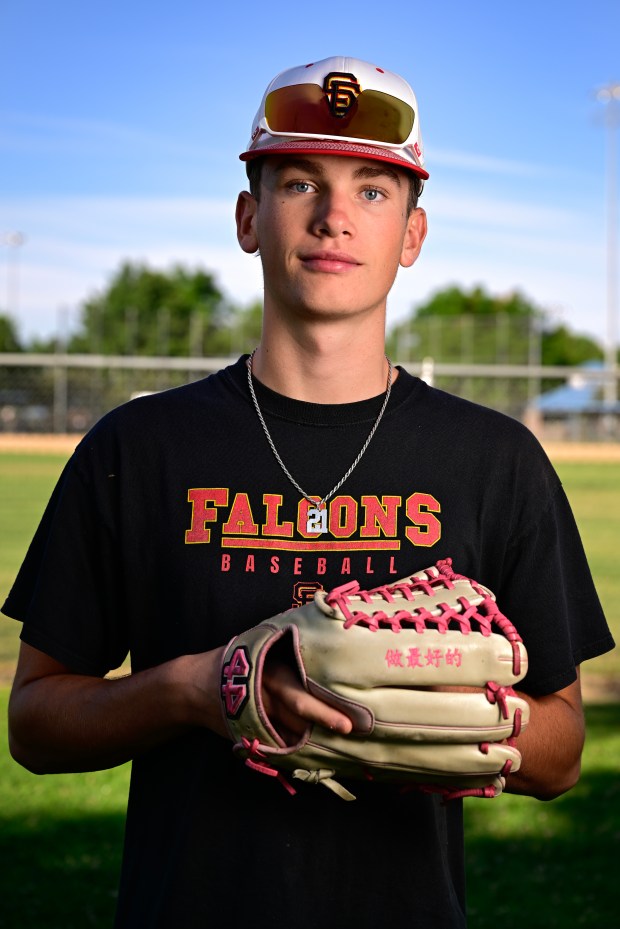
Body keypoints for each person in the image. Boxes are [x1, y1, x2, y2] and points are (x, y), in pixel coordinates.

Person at [3, 56, 614, 929]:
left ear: (413, 234)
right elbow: (35, 722)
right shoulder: (137, 448)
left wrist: (451, 720)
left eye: (373, 191)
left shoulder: (496, 458)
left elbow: (561, 756)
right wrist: (197, 688)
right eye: (300, 182)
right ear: (250, 217)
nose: (334, 218)